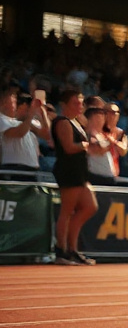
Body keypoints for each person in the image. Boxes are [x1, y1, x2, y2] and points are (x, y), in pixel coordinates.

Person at [50, 88, 99, 265]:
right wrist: (86, 145)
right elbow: (69, 147)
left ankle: (72, 249)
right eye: (75, 103)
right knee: (67, 211)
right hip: (68, 171)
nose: (80, 106)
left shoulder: (76, 122)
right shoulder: (63, 122)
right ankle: (62, 251)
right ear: (64, 105)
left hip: (79, 172)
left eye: (81, 102)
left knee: (90, 206)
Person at [0, 86, 52, 179]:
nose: (14, 103)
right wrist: (31, 112)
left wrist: (42, 111)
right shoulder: (2, 120)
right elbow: (19, 133)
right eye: (11, 101)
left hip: (32, 168)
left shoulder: (26, 123)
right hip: (13, 168)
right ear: (3, 103)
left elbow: (47, 135)